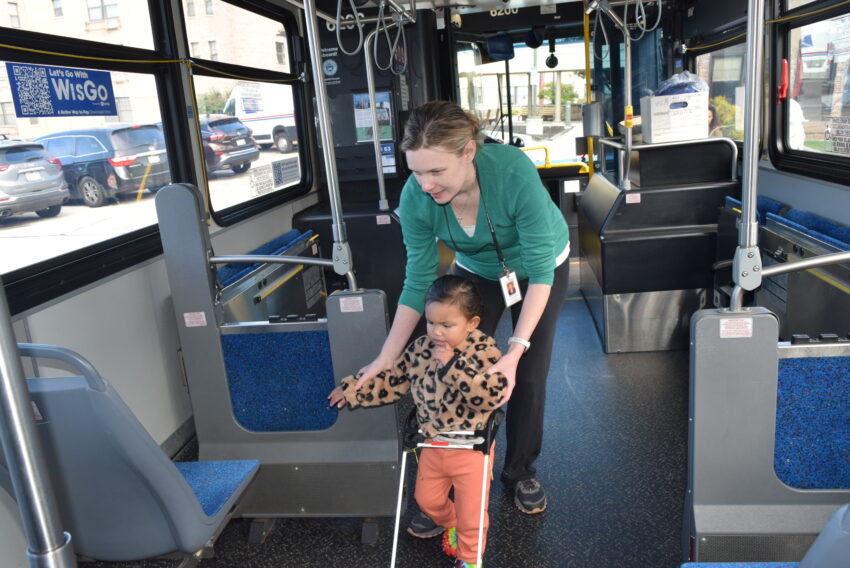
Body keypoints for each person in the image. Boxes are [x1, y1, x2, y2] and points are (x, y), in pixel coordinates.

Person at [355, 100, 571, 527]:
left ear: (468, 152)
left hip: (538, 267)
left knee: (523, 372)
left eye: (436, 171)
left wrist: (513, 350)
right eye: (416, 171)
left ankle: (519, 472)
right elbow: (417, 281)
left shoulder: (512, 173)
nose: (426, 183)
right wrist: (386, 356)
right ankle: (448, 486)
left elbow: (542, 271)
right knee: (451, 364)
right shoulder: (417, 197)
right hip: (478, 272)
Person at [329, 275, 508, 568]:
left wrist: (451, 365)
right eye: (431, 322)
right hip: (432, 443)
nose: (436, 332)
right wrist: (353, 390)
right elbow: (392, 379)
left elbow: (488, 397)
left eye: (447, 325)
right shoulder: (421, 349)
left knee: (473, 513)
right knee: (427, 502)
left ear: (471, 324)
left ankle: (469, 559)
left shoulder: (484, 352)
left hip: (472, 449)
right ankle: (453, 524)